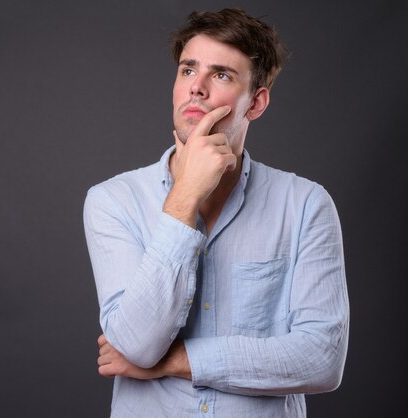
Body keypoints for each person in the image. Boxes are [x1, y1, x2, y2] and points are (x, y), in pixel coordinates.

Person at [83, 7, 349, 417]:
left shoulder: (306, 205)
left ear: (255, 103)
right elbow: (136, 344)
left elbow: (321, 359)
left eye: (222, 75)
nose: (197, 89)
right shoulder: (112, 201)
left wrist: (174, 362)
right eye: (188, 70)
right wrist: (185, 196)